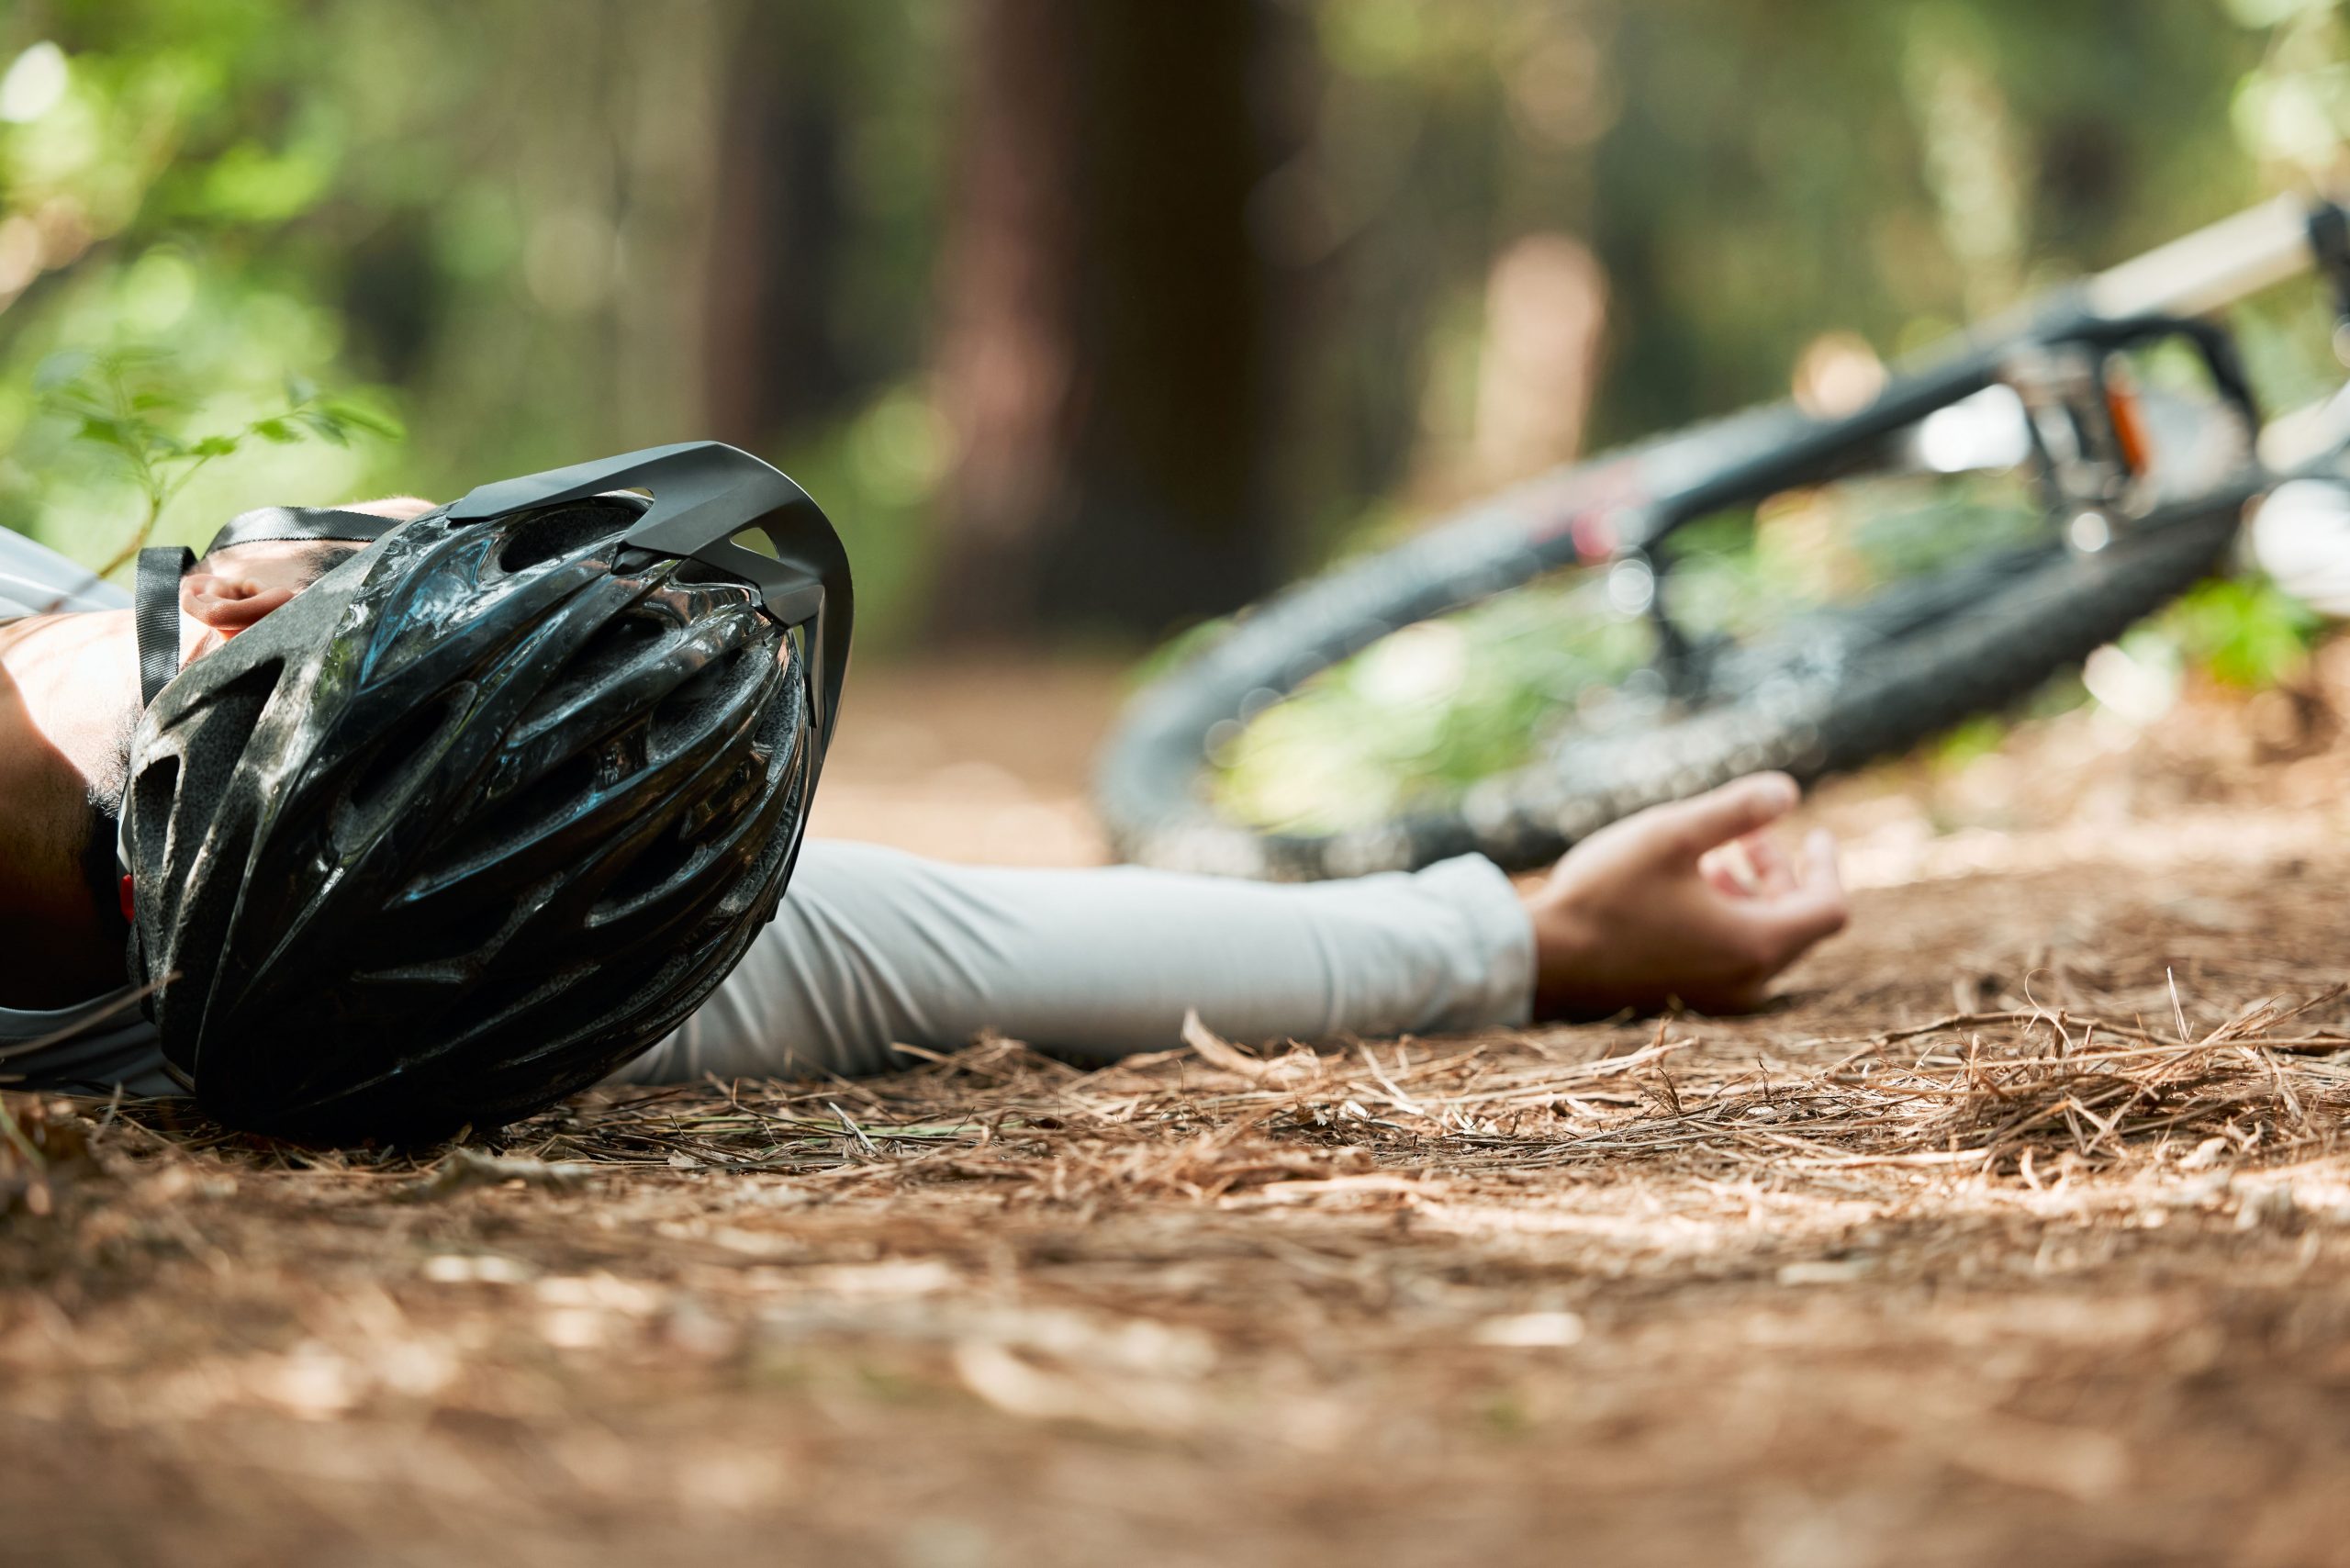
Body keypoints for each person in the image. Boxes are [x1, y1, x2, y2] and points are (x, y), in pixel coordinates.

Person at [0, 496, 1847, 1107]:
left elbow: (946, 945)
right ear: (229, 599)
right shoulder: (415, 956)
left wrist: (1522, 932)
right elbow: (951, 946)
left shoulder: (410, 942)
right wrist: (1515, 935)